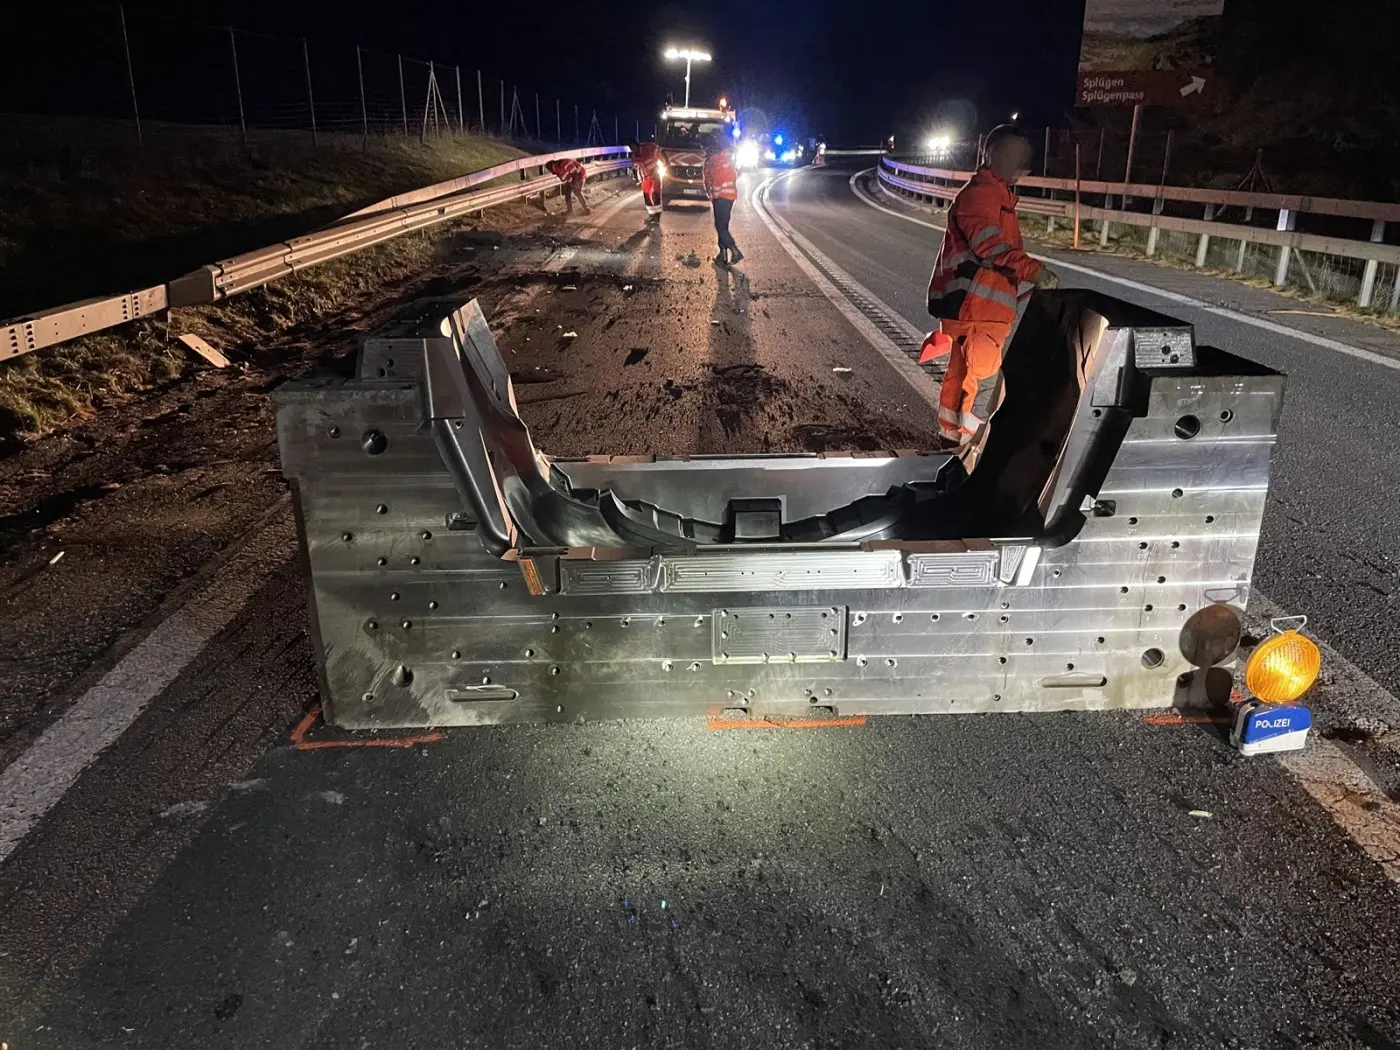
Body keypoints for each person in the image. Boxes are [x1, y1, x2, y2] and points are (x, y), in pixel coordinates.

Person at [924, 124, 1059, 445]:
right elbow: (991, 247)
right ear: (993, 154)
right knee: (982, 381)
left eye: (1023, 160)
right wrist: (1034, 271)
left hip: (973, 308)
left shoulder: (995, 196)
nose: (1021, 166)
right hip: (977, 310)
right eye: (1016, 158)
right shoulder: (983, 195)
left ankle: (950, 439)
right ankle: (974, 449)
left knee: (961, 377)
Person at [703, 135, 743, 266]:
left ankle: (734, 250)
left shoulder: (711, 161)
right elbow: (735, 174)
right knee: (723, 226)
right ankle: (723, 255)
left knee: (720, 227)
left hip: (720, 197)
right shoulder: (726, 157)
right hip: (730, 196)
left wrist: (712, 193)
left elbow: (710, 179)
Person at [631, 137, 664, 220]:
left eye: (633, 147)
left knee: (655, 195)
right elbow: (635, 168)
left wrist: (665, 162)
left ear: (637, 145)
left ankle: (658, 215)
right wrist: (637, 179)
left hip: (655, 174)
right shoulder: (634, 156)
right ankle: (652, 214)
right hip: (646, 178)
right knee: (646, 195)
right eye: (631, 148)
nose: (633, 149)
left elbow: (660, 150)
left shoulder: (648, 147)